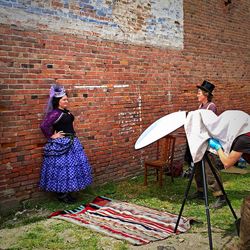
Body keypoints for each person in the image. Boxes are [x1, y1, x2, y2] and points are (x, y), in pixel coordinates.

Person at [39, 84, 93, 203]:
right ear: (58, 101)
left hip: (72, 142)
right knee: (62, 169)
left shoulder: (66, 112)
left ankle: (68, 193)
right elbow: (43, 126)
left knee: (71, 168)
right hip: (61, 144)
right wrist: (52, 136)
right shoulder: (55, 113)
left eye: (67, 99)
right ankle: (62, 195)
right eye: (64, 99)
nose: (66, 101)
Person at [189, 80, 226, 209]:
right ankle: (201, 192)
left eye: (199, 92)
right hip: (199, 142)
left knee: (210, 170)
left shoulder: (211, 107)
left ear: (206, 93)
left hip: (208, 143)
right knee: (198, 168)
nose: (197, 95)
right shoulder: (200, 107)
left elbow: (211, 126)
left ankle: (220, 196)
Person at [209, 133, 250, 250]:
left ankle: (243, 246)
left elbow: (226, 163)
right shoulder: (245, 135)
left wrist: (218, 148)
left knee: (248, 205)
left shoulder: (243, 139)